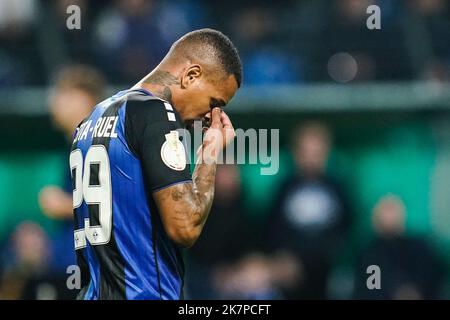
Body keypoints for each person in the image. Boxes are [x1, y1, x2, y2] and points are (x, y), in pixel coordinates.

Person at [70, 28, 242, 300]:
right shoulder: (156, 112)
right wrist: (210, 153)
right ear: (191, 75)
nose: (211, 117)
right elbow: (184, 226)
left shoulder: (90, 120)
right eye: (214, 103)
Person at [267, 123, 352, 299]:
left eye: (317, 152)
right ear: (296, 153)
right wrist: (282, 258)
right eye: (306, 152)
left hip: (328, 268)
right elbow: (273, 229)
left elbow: (346, 230)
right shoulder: (284, 188)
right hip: (291, 271)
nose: (312, 159)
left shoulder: (338, 188)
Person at [353, 195, 445, 300]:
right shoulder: (369, 253)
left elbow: (431, 278)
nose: (389, 218)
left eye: (392, 211)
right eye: (385, 212)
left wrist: (412, 291)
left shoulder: (420, 249)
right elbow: (370, 288)